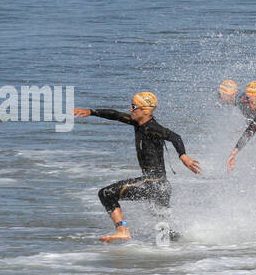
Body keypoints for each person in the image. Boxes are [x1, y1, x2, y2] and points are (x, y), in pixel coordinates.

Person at [72, 92, 202, 243]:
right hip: (162, 186)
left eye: (134, 107)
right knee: (164, 237)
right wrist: (91, 112)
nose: (130, 109)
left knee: (106, 194)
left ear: (145, 111)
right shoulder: (137, 123)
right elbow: (116, 115)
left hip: (153, 183)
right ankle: (186, 248)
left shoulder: (152, 128)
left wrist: (183, 156)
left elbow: (175, 136)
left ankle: (122, 229)